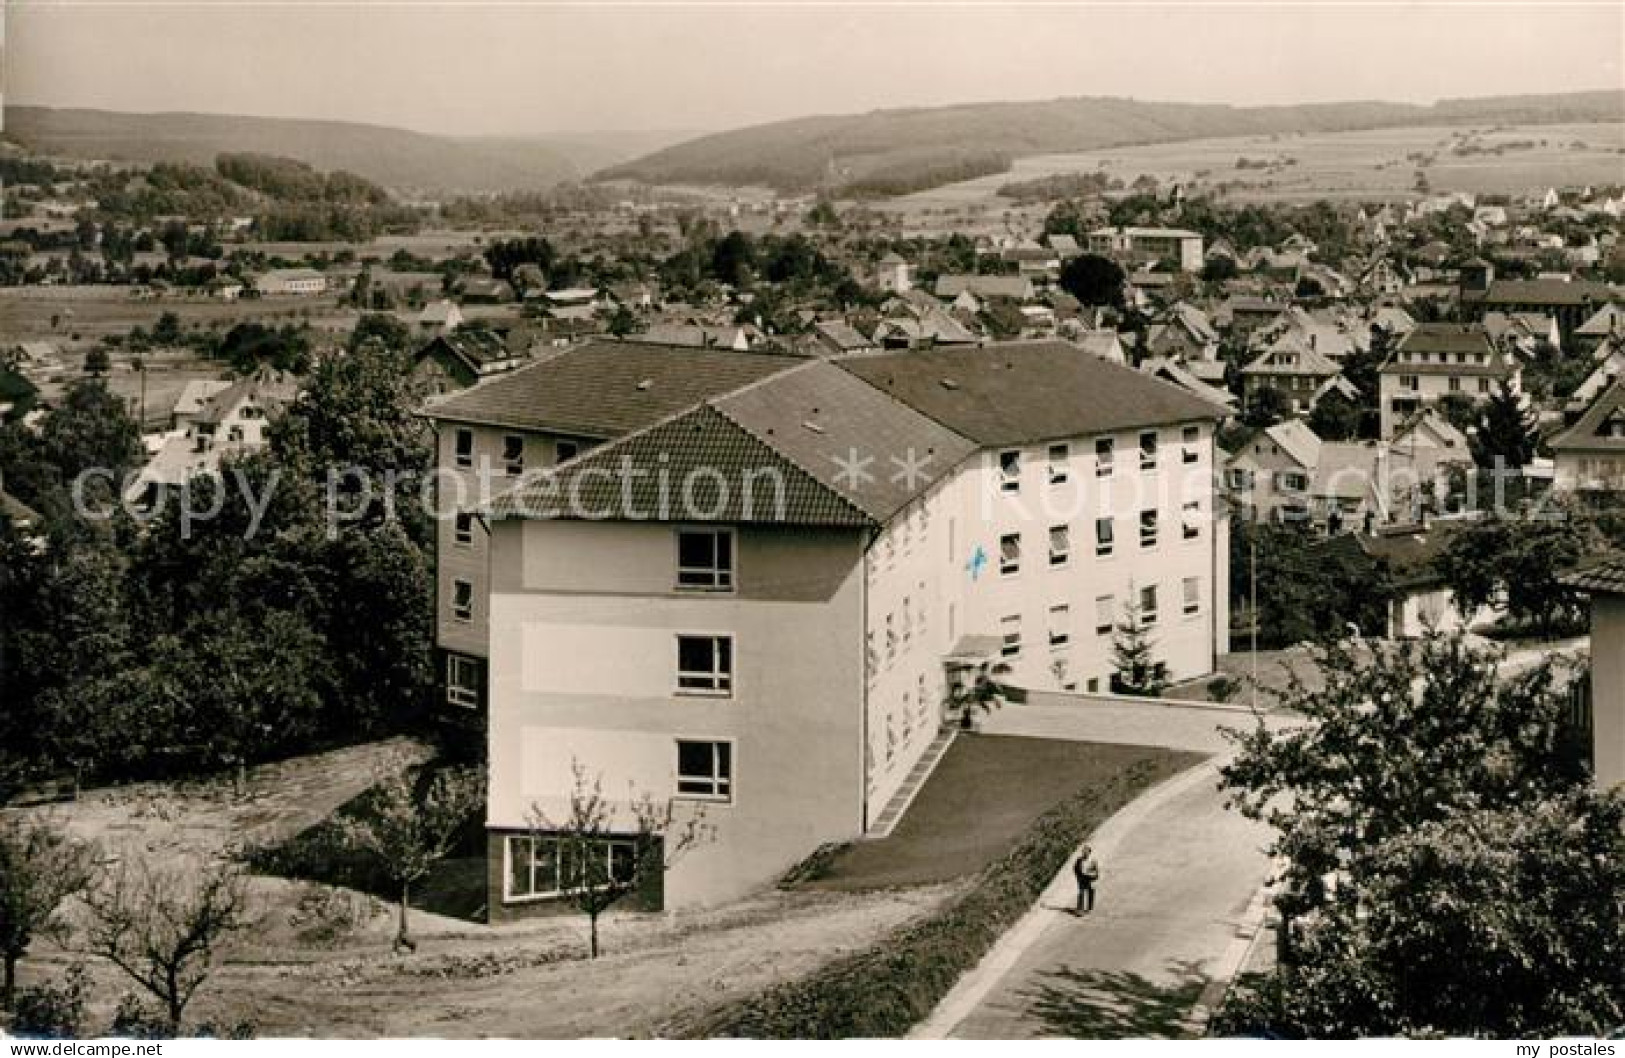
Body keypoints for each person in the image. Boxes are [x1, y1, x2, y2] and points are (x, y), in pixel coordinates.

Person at [1073, 846, 1101, 913]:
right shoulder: (1079, 860)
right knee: (1081, 893)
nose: (1084, 853)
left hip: (1090, 878)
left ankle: (1089, 908)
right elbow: (1075, 869)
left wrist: (1095, 877)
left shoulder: (1093, 860)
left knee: (1091, 892)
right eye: (1083, 852)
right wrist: (1078, 877)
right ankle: (1080, 909)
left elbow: (1096, 870)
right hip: (1082, 878)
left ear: (1089, 852)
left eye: (1086, 852)